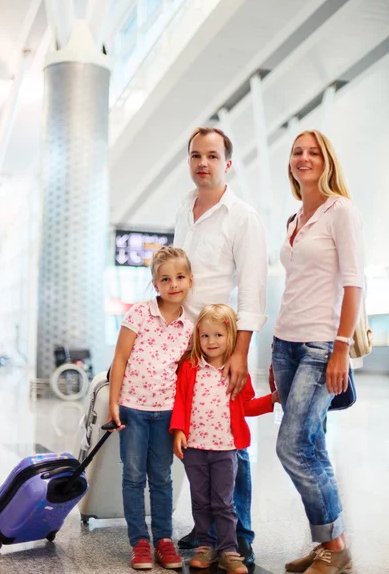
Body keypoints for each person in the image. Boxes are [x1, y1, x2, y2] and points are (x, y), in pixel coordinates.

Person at [270, 130, 363, 574]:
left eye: (313, 152)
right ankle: (326, 542)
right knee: (313, 444)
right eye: (297, 152)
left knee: (291, 446)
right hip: (285, 345)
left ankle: (337, 544)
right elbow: (292, 289)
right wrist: (273, 354)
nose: (304, 158)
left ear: (326, 161)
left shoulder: (339, 211)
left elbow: (353, 282)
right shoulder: (294, 219)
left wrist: (340, 348)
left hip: (320, 345)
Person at [174, 126, 268, 565]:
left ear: (227, 162)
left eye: (212, 155)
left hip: (222, 342)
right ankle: (206, 530)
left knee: (232, 443)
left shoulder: (242, 216)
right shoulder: (184, 209)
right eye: (196, 155)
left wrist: (239, 351)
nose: (203, 163)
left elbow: (252, 290)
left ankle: (239, 534)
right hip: (187, 346)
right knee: (197, 440)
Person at [171, 304, 278, 574]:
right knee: (200, 500)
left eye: (218, 335)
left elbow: (248, 406)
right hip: (194, 447)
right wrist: (179, 431)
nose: (211, 341)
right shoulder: (190, 367)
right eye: (205, 336)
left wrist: (273, 399)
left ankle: (229, 550)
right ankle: (205, 547)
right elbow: (181, 401)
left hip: (226, 449)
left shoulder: (236, 372)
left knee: (224, 501)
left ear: (230, 337)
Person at [107, 246, 194, 570]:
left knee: (161, 477)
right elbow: (120, 359)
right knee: (132, 477)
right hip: (132, 409)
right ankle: (139, 542)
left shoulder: (190, 327)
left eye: (180, 277)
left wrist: (182, 421)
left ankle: (164, 540)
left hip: (166, 414)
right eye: (166, 279)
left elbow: (186, 378)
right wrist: (114, 403)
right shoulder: (139, 314)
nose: (174, 284)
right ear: (155, 284)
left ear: (190, 280)